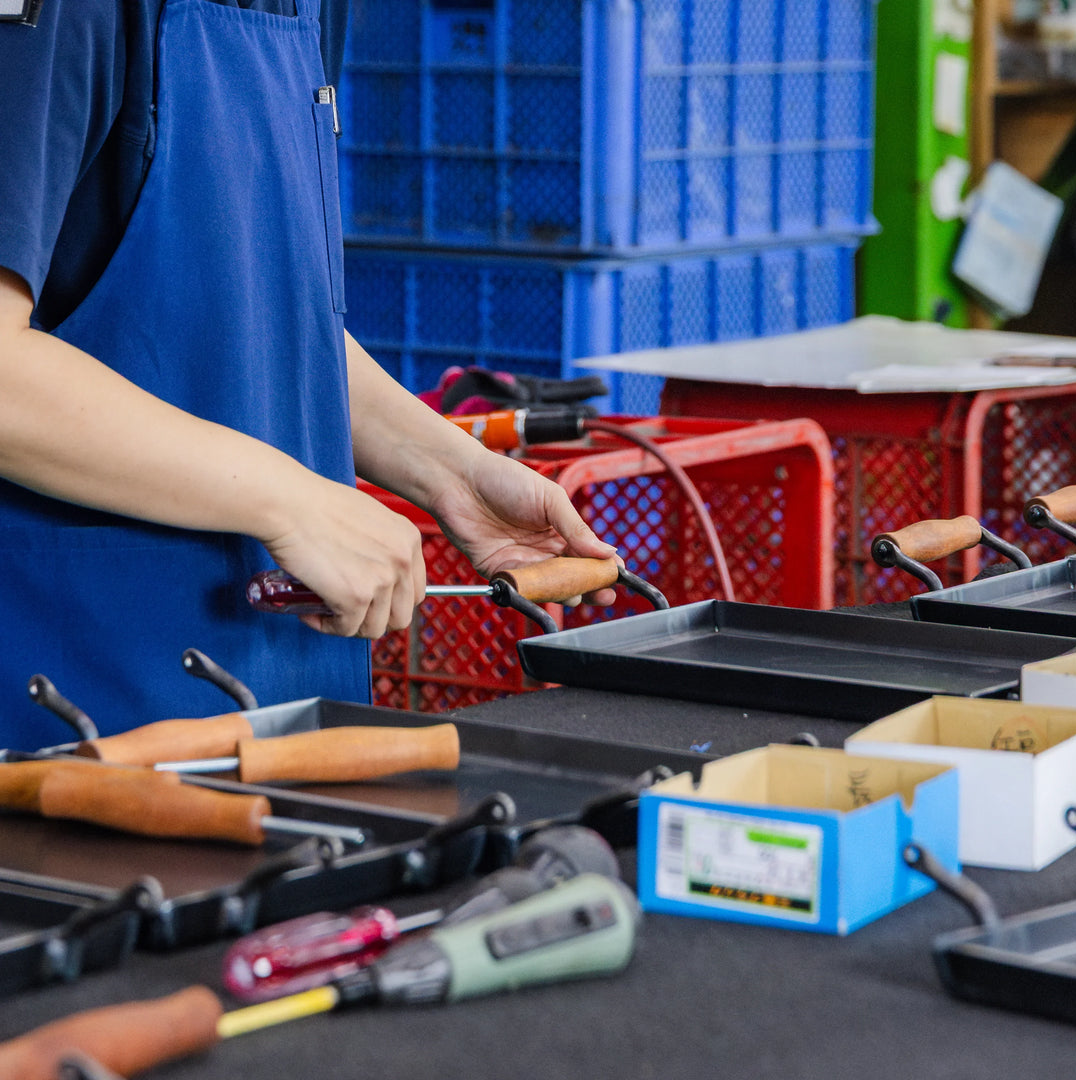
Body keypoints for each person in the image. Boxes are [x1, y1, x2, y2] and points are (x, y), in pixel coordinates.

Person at [0, 0, 617, 752]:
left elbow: (262, 317)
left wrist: (450, 470)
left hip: (296, 711)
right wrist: (291, 503)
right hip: (83, 720)